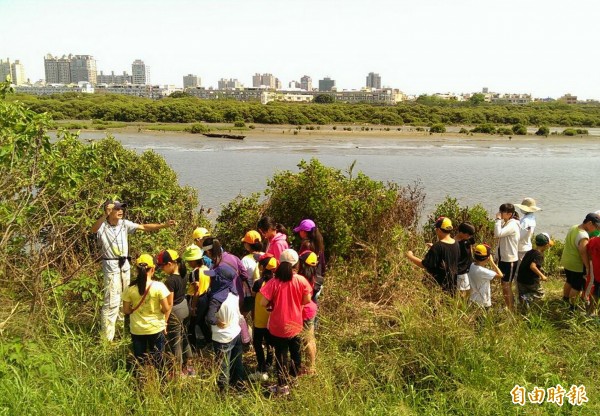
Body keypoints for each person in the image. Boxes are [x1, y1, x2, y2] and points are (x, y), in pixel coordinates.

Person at [90, 199, 175, 342]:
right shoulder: (103, 226)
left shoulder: (124, 224)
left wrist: (164, 225)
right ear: (109, 210)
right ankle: (107, 339)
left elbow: (144, 227)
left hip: (125, 266)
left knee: (125, 298)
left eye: (121, 208)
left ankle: (120, 333)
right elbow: (93, 229)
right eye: (117, 209)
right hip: (111, 267)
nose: (120, 211)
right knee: (111, 302)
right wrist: (105, 215)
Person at [260, 249, 312, 396]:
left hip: (278, 326)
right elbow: (307, 300)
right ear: (296, 264)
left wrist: (273, 304)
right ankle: (294, 379)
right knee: (296, 353)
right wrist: (297, 304)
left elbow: (263, 303)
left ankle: (282, 387)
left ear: (280, 263)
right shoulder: (301, 280)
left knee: (281, 356)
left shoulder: (273, 282)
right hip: (296, 324)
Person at [122, 254, 171, 373]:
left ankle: (141, 381)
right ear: (153, 269)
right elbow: (166, 308)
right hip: (155, 328)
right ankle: (160, 382)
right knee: (158, 359)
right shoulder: (159, 287)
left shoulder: (130, 288)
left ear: (137, 270)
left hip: (137, 328)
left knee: (140, 359)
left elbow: (126, 310)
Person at [156, 249, 194, 377]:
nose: (162, 269)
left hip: (175, 311)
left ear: (170, 264)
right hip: (184, 307)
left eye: (162, 266)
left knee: (175, 342)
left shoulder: (170, 281)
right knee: (184, 338)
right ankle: (189, 368)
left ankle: (178, 372)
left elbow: (170, 303)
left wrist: (165, 322)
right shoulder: (184, 273)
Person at [406, 216, 460, 293]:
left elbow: (424, 264)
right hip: (452, 283)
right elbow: (447, 253)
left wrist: (410, 256)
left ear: (438, 230)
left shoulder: (438, 246)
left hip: (438, 286)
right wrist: (434, 247)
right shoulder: (456, 243)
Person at [561, 213, 600, 310]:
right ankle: (572, 306)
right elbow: (583, 252)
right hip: (576, 264)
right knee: (576, 287)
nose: (595, 229)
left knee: (569, 281)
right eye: (595, 226)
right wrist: (587, 266)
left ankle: (565, 299)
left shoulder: (574, 227)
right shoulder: (583, 235)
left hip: (567, 260)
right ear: (590, 223)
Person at [249, 253, 278, 381]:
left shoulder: (258, 283)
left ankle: (262, 369)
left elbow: (253, 296)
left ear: (262, 267)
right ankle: (269, 364)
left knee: (257, 343)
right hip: (272, 319)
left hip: (260, 319)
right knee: (270, 343)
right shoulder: (277, 282)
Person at [211, 290, 245, 391]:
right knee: (237, 362)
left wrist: (216, 321)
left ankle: (223, 393)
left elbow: (209, 317)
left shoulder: (215, 298)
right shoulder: (234, 295)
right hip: (235, 332)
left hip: (222, 337)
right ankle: (239, 387)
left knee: (223, 366)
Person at [182, 244, 211, 349]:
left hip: (197, 299)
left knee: (191, 325)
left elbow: (196, 290)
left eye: (189, 261)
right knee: (202, 321)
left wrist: (193, 307)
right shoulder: (207, 268)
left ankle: (192, 347)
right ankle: (209, 341)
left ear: (194, 261)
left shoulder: (194, 273)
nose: (189, 263)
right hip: (206, 297)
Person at [494, 203, 520, 311]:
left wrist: (497, 220)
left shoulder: (512, 224)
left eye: (502, 212)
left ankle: (511, 309)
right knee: (503, 284)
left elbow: (498, 234)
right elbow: (501, 241)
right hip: (503, 258)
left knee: (506, 285)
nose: (499, 214)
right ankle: (508, 306)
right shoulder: (507, 223)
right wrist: (496, 256)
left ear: (509, 214)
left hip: (510, 260)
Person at [517, 233, 553, 308]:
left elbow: (527, 263)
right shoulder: (539, 255)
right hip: (530, 280)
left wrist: (540, 269)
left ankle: (523, 307)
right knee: (540, 294)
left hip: (520, 278)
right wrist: (542, 276)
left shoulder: (530, 252)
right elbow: (532, 266)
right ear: (546, 245)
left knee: (524, 293)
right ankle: (525, 298)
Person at [298, 250, 318, 375]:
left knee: (307, 340)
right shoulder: (312, 275)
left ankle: (311, 368)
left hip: (305, 310)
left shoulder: (303, 278)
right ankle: (311, 365)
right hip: (311, 308)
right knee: (311, 338)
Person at [293, 219, 326, 297]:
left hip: (306, 282)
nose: (299, 232)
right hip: (316, 282)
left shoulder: (306, 245)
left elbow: (300, 263)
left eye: (300, 230)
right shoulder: (319, 244)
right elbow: (323, 264)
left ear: (304, 232)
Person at [241, 230, 263, 315]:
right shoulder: (265, 255)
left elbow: (242, 278)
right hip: (263, 293)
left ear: (248, 245)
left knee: (243, 316)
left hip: (249, 294)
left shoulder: (245, 260)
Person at [456, 222, 476, 300]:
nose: (469, 237)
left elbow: (472, 246)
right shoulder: (455, 243)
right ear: (461, 232)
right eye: (467, 235)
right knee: (462, 292)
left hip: (470, 267)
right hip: (461, 270)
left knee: (469, 290)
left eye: (471, 235)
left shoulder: (468, 239)